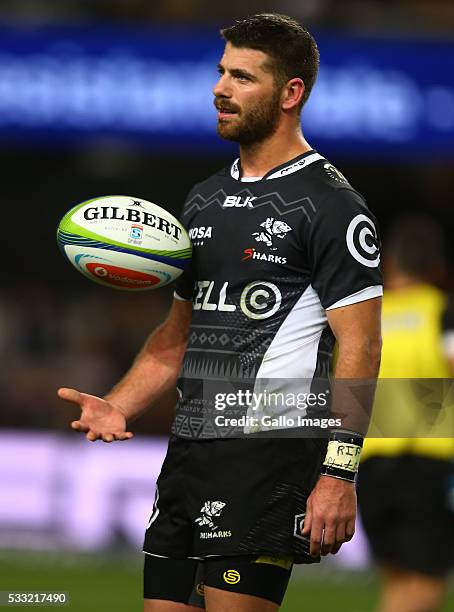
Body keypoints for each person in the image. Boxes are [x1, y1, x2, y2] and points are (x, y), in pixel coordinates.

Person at [58, 14, 382, 612]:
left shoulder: (330, 205)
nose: (221, 88)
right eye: (220, 72)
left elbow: (361, 348)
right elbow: (178, 332)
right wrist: (120, 403)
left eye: (242, 76)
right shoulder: (203, 198)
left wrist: (340, 474)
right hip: (190, 451)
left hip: (269, 451)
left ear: (291, 93)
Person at [358, 216, 454, 612]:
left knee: (398, 581)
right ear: (438, 269)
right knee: (426, 584)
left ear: (390, 266)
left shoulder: (364, 319)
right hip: (426, 463)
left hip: (370, 464)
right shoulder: (442, 311)